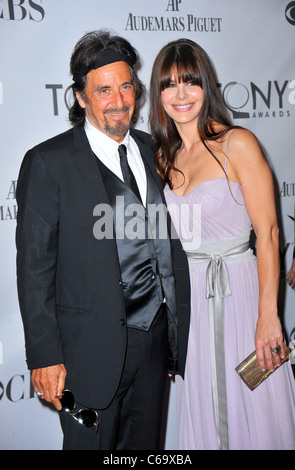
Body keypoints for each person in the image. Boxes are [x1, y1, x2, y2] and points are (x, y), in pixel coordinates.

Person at [16, 30, 190, 450]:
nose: (119, 100)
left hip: (152, 347)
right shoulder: (48, 162)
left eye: (126, 86)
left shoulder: (157, 150)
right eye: (104, 90)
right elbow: (34, 268)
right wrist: (44, 356)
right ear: (80, 97)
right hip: (83, 357)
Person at [149, 38, 295, 450]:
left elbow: (267, 233)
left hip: (240, 291)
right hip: (190, 300)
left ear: (206, 87)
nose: (181, 95)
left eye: (190, 83)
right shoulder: (162, 157)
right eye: (170, 84)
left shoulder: (237, 143)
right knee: (203, 402)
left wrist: (269, 315)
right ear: (158, 94)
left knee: (254, 397)